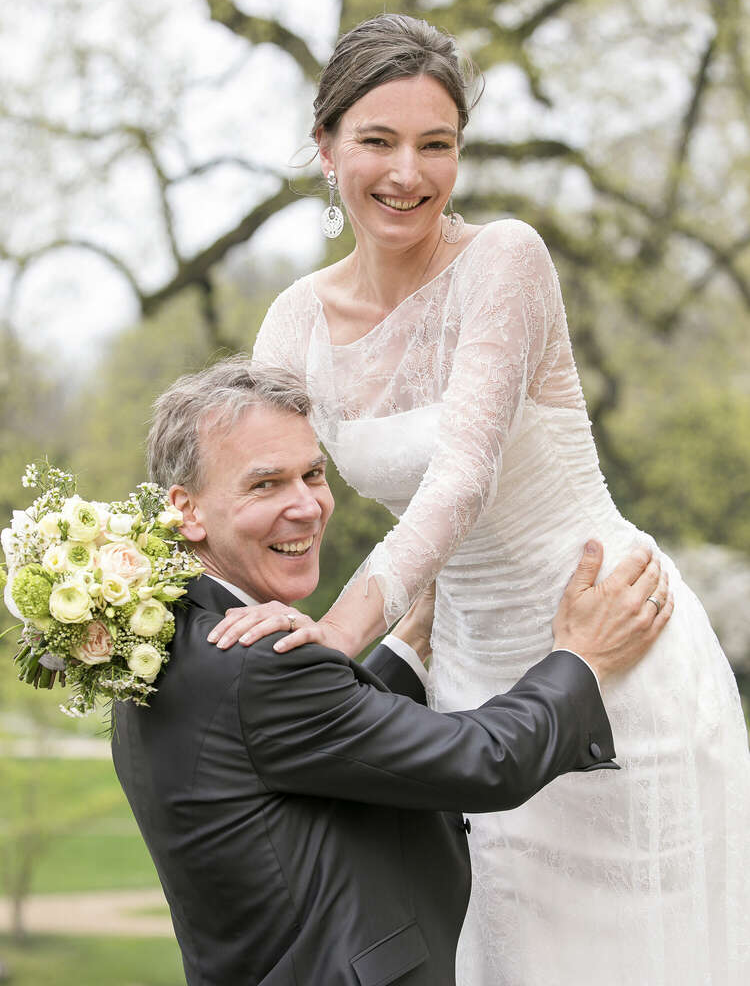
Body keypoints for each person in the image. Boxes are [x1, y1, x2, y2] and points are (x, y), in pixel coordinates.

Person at [212, 13, 750, 986]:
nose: (407, 173)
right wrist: (158, 601)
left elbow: (461, 477)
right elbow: (250, 477)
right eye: (377, 140)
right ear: (325, 146)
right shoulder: (295, 318)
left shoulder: (505, 259)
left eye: (437, 144)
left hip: (617, 648)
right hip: (468, 690)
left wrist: (336, 640)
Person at [112, 359, 671, 986]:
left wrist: (408, 644)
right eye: (265, 485)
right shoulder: (254, 666)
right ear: (186, 510)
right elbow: (486, 761)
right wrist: (583, 658)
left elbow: (307, 745)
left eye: (313, 474)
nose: (307, 507)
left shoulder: (157, 642)